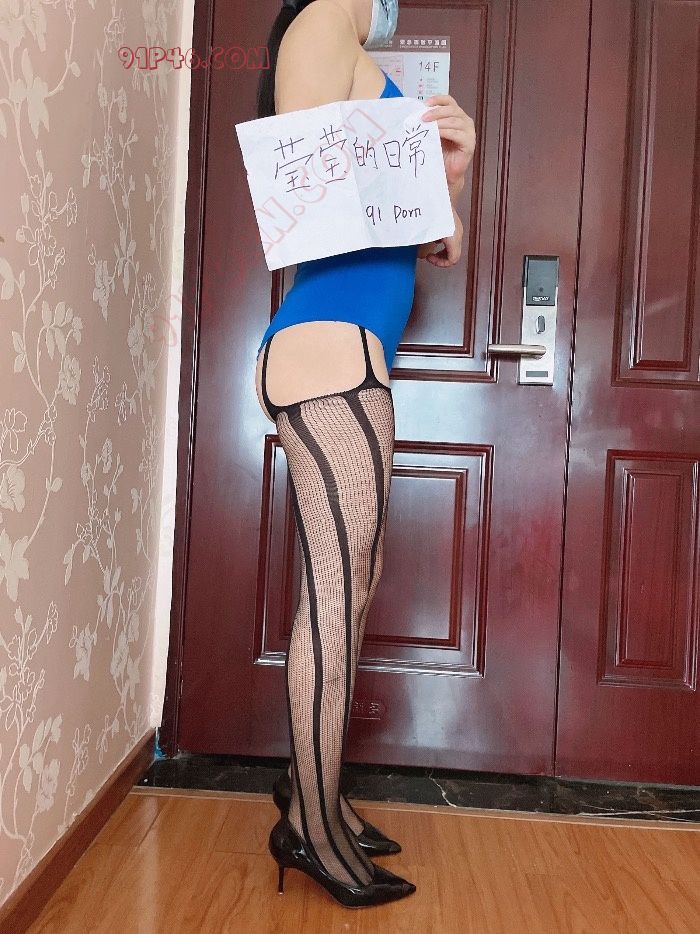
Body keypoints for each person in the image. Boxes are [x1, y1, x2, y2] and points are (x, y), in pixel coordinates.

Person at [253, 0, 475, 909]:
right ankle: (311, 828)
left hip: (351, 349)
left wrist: (445, 173)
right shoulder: (319, 25)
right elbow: (308, 208)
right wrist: (404, 165)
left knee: (350, 590)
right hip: (326, 347)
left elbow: (437, 247)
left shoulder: (347, 44)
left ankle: (312, 796)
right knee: (335, 603)